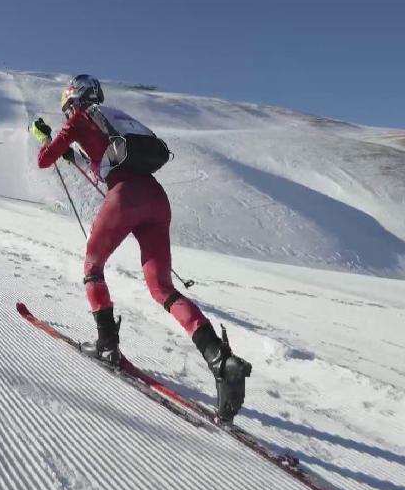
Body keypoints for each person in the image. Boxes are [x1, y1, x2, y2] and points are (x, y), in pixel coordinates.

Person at [29, 74, 252, 422]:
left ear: (74, 100)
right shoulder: (115, 120)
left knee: (93, 268)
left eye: (66, 106)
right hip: (155, 197)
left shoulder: (78, 119)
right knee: (161, 287)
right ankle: (221, 360)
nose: (66, 112)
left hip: (126, 196)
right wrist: (73, 157)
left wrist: (46, 138)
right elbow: (100, 163)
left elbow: (45, 159)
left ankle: (106, 346)